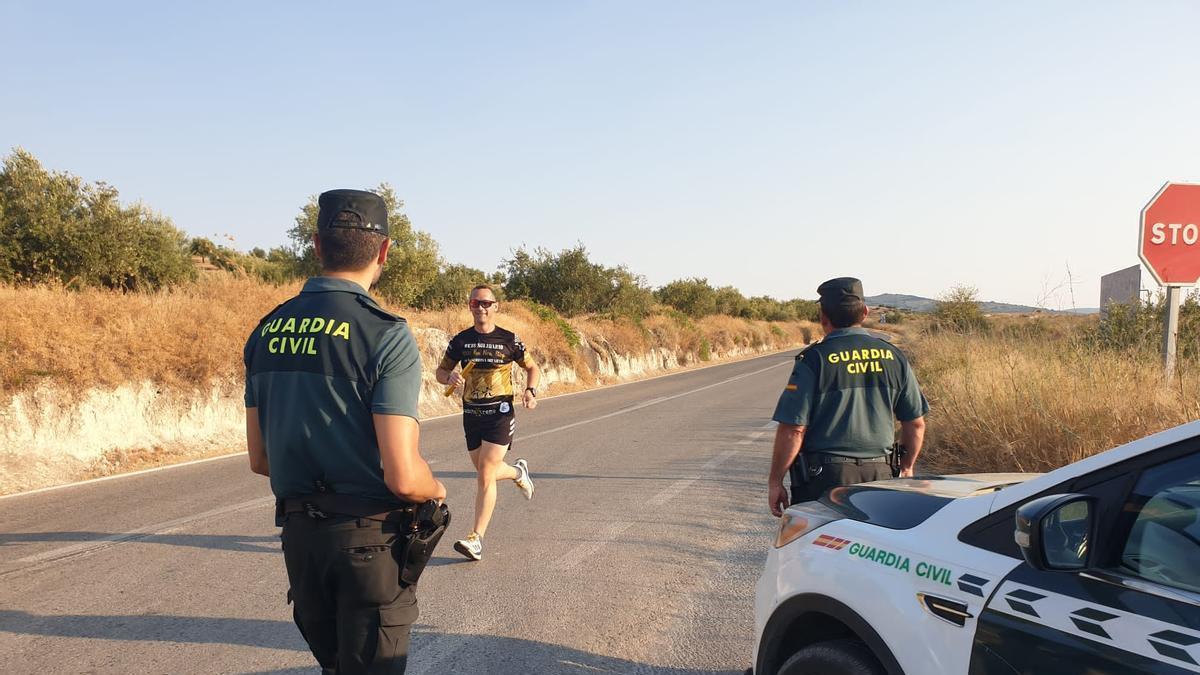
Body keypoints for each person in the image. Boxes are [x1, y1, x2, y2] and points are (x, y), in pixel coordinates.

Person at [244, 189, 447, 674]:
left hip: (302, 542)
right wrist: (435, 490)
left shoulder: (267, 330)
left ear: (316, 244)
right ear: (384, 252)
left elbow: (260, 459)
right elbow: (402, 476)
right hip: (368, 545)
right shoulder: (385, 334)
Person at [767, 277, 927, 517]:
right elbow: (915, 423)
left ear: (823, 317)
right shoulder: (894, 357)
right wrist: (906, 467)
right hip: (881, 476)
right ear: (864, 312)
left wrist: (775, 481)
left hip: (824, 480)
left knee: (821, 549)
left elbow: (793, 430)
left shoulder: (814, 360)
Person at [435, 284, 539, 561]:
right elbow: (441, 371)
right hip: (471, 414)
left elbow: (532, 367)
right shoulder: (460, 341)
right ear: (469, 306)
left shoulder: (509, 339)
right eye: (475, 303)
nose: (480, 308)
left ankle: (476, 539)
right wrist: (449, 378)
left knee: (485, 472)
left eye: (486, 303)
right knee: (487, 472)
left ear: (496, 306)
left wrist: (530, 390)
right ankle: (518, 473)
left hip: (500, 413)